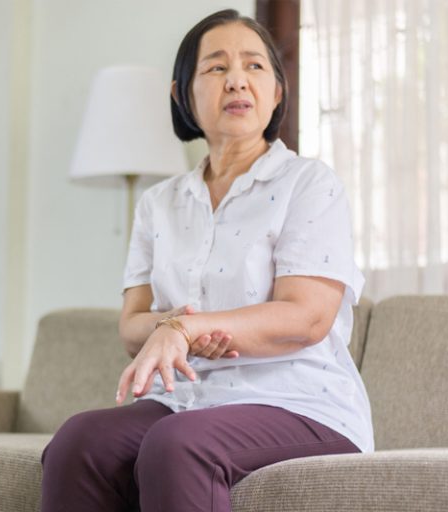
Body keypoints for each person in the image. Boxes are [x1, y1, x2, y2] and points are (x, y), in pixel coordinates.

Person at [41, 9, 373, 512]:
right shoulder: (158, 204)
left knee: (178, 445)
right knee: (79, 441)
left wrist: (184, 329)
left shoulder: (309, 184)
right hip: (190, 401)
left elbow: (306, 317)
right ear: (182, 95)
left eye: (255, 66)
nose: (237, 79)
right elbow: (132, 328)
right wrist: (177, 329)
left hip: (302, 403)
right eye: (216, 67)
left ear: (277, 91)